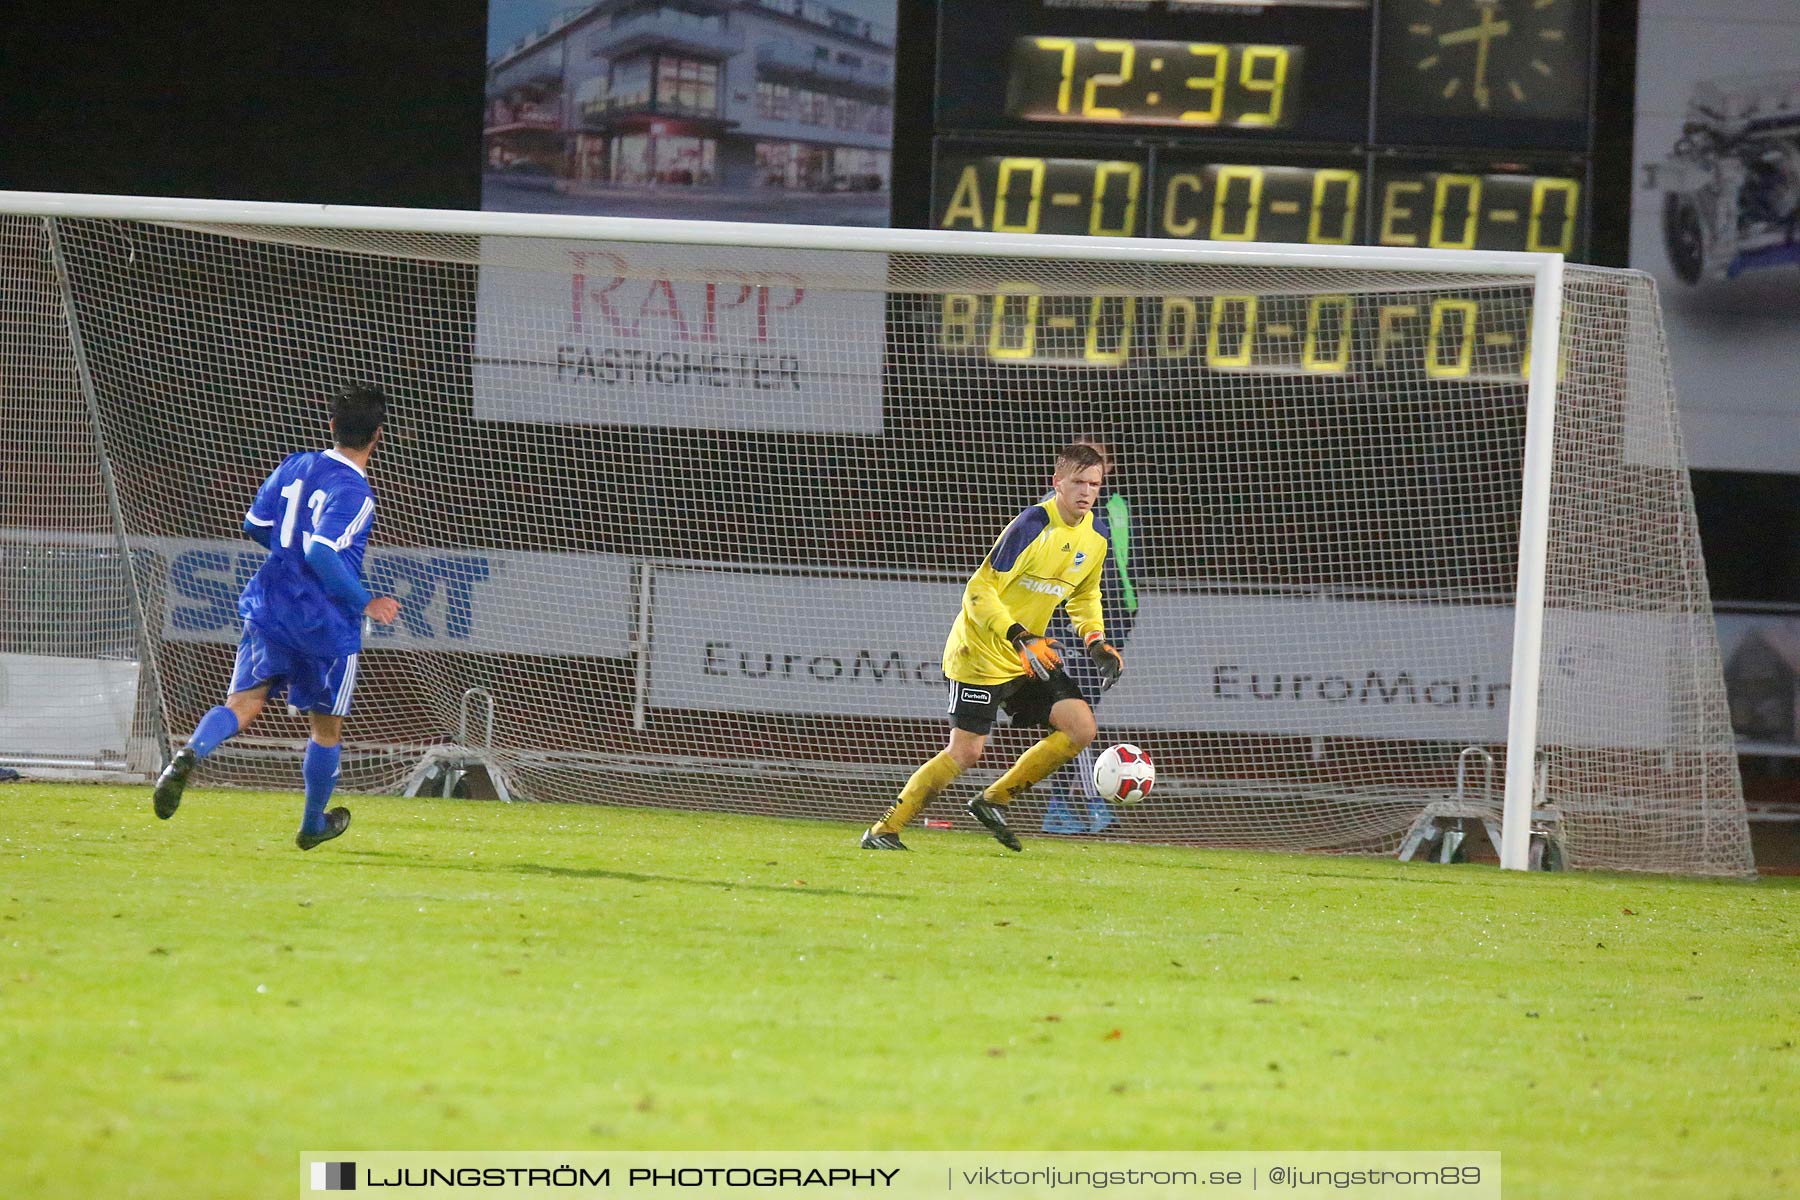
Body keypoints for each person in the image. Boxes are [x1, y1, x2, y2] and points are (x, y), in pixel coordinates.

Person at [151, 384, 401, 849]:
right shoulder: (356, 492)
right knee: (326, 728)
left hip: (270, 605)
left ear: (331, 426)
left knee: (243, 703)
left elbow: (254, 525)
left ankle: (189, 753)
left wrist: (287, 558)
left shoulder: (296, 464)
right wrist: (367, 601)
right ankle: (311, 826)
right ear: (377, 437)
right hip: (325, 624)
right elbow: (323, 552)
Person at [861, 442, 1124, 852]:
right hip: (981, 654)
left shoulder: (1097, 536)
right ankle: (883, 829)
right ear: (1057, 483)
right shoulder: (1033, 525)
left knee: (1081, 728)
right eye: (1077, 482)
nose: (1086, 492)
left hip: (1028, 654)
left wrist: (1096, 642)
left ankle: (993, 799)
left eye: (1094, 484)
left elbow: (1085, 596)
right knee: (966, 753)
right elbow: (979, 589)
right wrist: (1019, 635)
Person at [1040, 436, 1141, 835]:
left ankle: (1069, 804)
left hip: (1113, 619)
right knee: (1077, 715)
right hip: (1074, 622)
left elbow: (1126, 563)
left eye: (1097, 464)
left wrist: (1125, 612)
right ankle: (1076, 804)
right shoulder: (1055, 511)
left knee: (1080, 714)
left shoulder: (1116, 506)